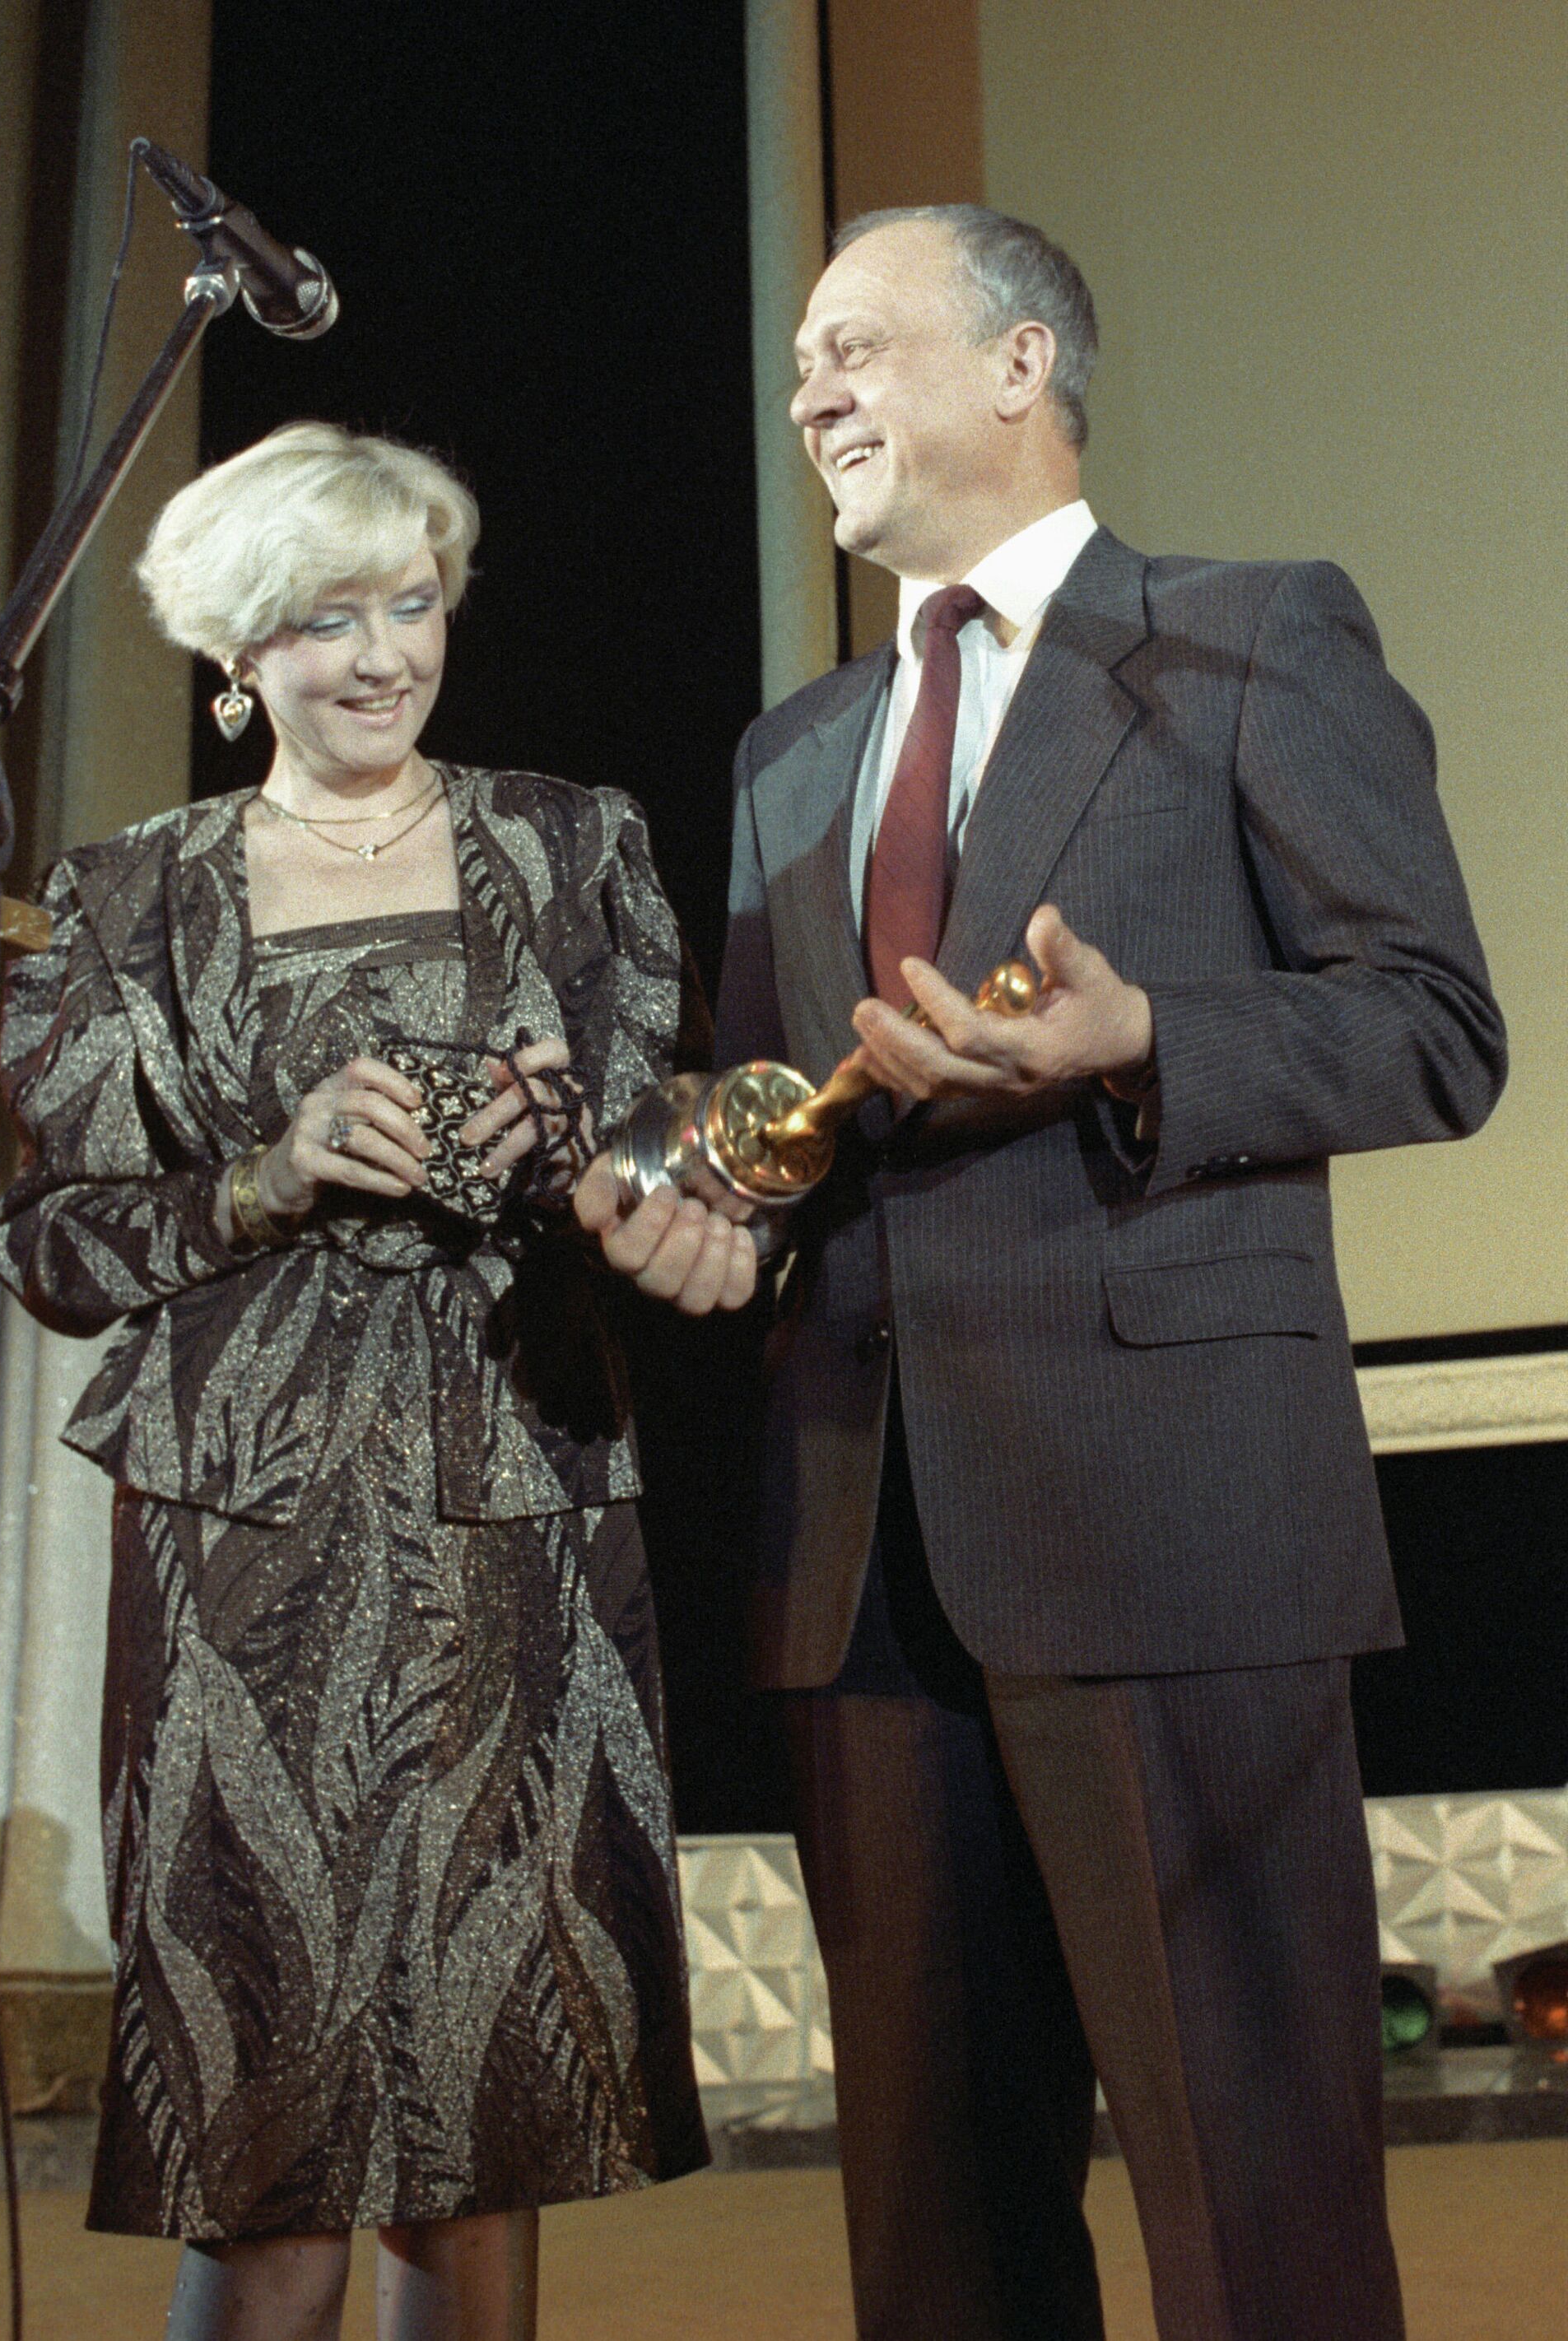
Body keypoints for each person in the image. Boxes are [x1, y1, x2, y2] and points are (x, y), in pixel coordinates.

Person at [577, 207, 1506, 2339]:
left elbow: (1434, 1023)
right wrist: (686, 1188)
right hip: (860, 1559)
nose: (810, 390)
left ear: (1019, 365)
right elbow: (772, 1109)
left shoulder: (1253, 640)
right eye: (800, 359)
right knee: (937, 2247)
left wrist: (1154, 1031)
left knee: (1247, 2212)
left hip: (1173, 1522)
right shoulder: (789, 749)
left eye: (852, 346)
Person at [0, 421, 753, 2341]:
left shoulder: (575, 847)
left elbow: (676, 1170)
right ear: (236, 654)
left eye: (410, 605)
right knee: (264, 2139)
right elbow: (53, 1248)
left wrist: (577, 1144)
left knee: (490, 2134)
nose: (383, 655)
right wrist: (263, 1174)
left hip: (514, 1509)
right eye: (326, 621)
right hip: (248, 1553)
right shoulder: (125, 903)